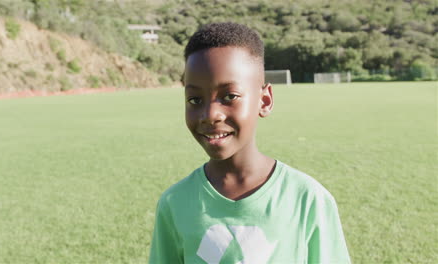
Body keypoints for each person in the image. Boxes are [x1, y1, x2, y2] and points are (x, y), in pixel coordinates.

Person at [149, 22, 351, 264]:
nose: (210, 114)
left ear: (264, 101)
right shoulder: (174, 203)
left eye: (229, 96)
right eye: (195, 99)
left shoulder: (308, 198)